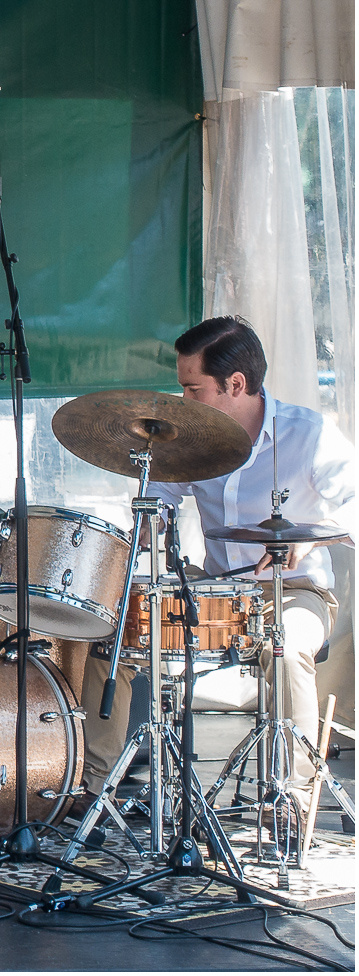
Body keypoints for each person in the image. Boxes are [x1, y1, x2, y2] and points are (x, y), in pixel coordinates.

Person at [74, 317, 355, 811]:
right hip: (214, 589)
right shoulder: (190, 436)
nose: (183, 401)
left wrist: (309, 543)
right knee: (112, 632)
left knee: (286, 651)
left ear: (236, 384)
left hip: (295, 590)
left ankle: (293, 797)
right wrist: (149, 522)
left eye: (192, 388)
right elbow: (161, 498)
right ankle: (97, 787)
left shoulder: (309, 435)